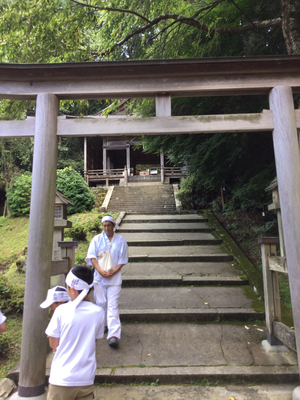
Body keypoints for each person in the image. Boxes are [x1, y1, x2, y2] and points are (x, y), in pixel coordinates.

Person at [45, 265, 105, 400]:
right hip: (86, 379)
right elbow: (94, 340)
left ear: (72, 289)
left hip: (61, 379)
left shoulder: (61, 311)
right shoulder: (99, 312)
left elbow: (53, 343)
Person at [85, 215, 128, 348]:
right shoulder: (96, 239)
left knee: (112, 305)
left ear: (114, 225)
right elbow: (92, 256)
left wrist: (114, 271)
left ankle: (113, 334)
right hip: (99, 277)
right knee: (101, 303)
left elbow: (123, 259)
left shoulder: (121, 240)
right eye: (104, 225)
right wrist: (99, 270)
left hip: (114, 279)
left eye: (109, 225)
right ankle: (103, 325)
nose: (106, 228)